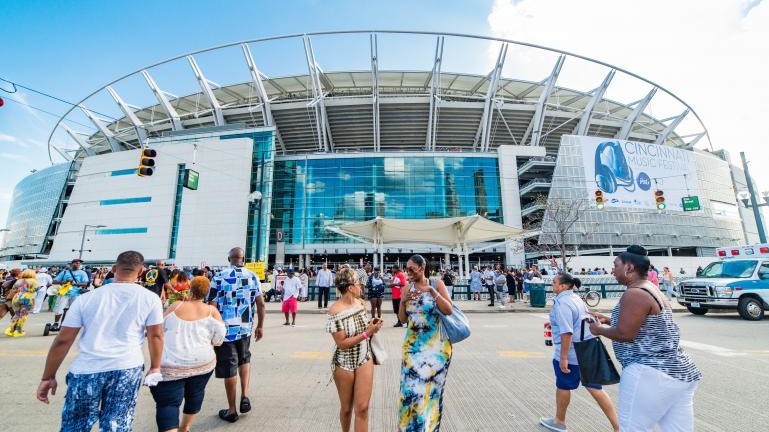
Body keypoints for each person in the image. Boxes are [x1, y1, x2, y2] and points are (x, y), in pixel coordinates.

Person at [36, 250, 164, 432]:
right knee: (117, 424)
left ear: (114, 269)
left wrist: (48, 376)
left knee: (75, 425)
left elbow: (62, 341)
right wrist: (155, 367)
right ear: (142, 271)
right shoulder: (150, 299)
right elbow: (156, 335)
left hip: (86, 369)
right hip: (127, 367)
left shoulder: (86, 299)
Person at [590, 245, 702, 431]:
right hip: (678, 373)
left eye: (615, 265)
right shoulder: (651, 288)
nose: (612, 270)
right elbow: (649, 325)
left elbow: (626, 334)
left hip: (649, 373)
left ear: (629, 268)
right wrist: (610, 320)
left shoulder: (634, 293)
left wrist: (599, 329)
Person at [539, 272, 619, 432]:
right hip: (586, 349)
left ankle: (559, 421)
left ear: (562, 286)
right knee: (595, 388)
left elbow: (567, 332)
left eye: (554, 282)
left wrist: (563, 358)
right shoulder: (576, 299)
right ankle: (618, 426)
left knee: (563, 386)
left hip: (572, 352)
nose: (552, 285)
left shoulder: (563, 303)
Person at [150, 276, 226, 432]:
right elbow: (219, 338)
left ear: (190, 290)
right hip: (202, 363)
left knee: (168, 403)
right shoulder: (212, 311)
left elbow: (159, 329)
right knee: (195, 395)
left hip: (172, 364)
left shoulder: (176, 306)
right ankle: (185, 428)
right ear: (207, 293)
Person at [207, 247, 265, 423]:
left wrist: (210, 330)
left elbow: (211, 304)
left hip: (225, 330)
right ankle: (245, 395)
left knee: (229, 365)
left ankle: (231, 410)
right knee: (244, 359)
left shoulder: (219, 276)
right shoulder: (252, 276)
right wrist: (260, 326)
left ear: (229, 259)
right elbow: (261, 304)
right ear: (243, 259)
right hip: (245, 328)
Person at [398, 254, 453, 431]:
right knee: (410, 394)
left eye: (411, 269)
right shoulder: (407, 288)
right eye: (407, 269)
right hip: (412, 349)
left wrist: (431, 291)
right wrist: (403, 301)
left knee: (430, 395)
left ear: (422, 268)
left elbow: (448, 310)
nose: (408, 273)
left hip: (435, 350)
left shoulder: (437, 284)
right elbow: (403, 319)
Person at [326, 267, 383, 432]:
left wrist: (372, 326)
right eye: (358, 283)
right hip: (344, 362)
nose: (361, 286)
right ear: (350, 287)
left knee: (363, 407)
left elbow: (364, 328)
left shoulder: (360, 303)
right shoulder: (335, 310)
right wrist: (367, 333)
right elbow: (342, 343)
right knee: (346, 408)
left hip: (364, 357)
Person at [51, 259, 91, 332]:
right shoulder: (65, 272)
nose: (78, 264)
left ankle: (69, 325)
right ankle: (56, 323)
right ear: (72, 264)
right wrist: (64, 282)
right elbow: (54, 281)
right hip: (64, 293)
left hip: (76, 293)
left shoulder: (82, 273)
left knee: (73, 310)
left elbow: (85, 283)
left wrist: (74, 284)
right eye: (76, 263)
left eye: (79, 263)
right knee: (59, 309)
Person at [6, 269, 39, 337]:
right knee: (23, 315)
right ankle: (18, 331)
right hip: (27, 299)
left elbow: (13, 289)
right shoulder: (34, 281)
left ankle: (11, 330)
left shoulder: (19, 280)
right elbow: (36, 290)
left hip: (16, 298)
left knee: (17, 314)